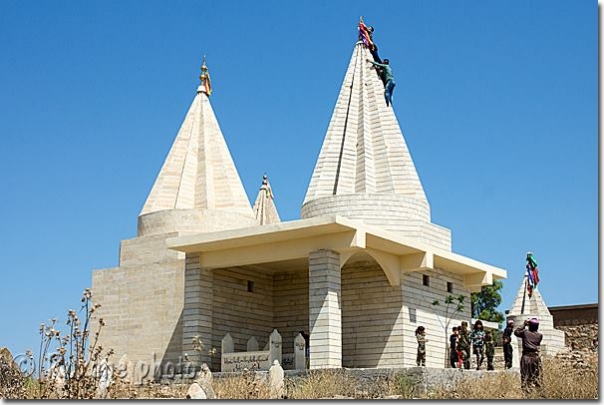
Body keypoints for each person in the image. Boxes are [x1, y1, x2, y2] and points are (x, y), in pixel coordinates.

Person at [514, 318, 543, 391]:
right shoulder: (540, 335)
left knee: (525, 376)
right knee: (537, 376)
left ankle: (526, 393)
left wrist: (524, 324)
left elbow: (516, 332)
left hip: (526, 357)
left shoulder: (525, 333)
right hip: (536, 358)